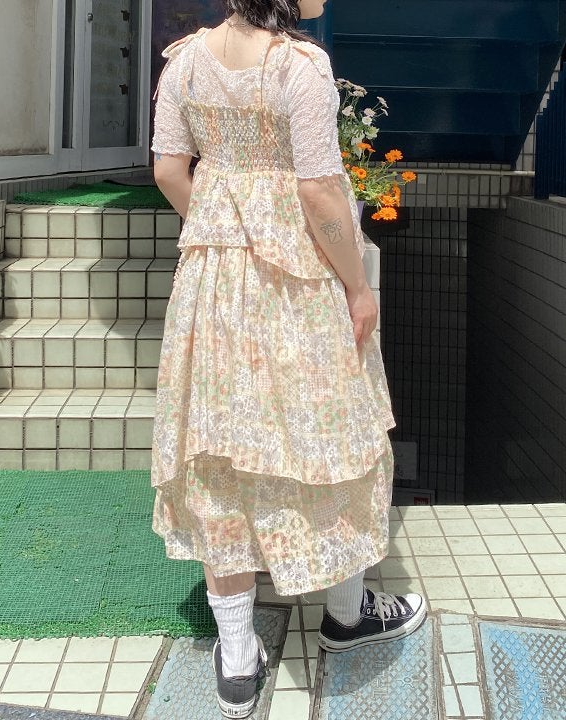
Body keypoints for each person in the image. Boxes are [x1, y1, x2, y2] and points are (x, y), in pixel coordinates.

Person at [151, 0, 427, 716]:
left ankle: (238, 656)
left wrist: (222, 223)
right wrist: (357, 285)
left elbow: (168, 169)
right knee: (333, 429)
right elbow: (319, 189)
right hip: (297, 281)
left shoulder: (184, 63)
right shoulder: (301, 67)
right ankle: (346, 614)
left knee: (217, 448)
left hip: (212, 281)